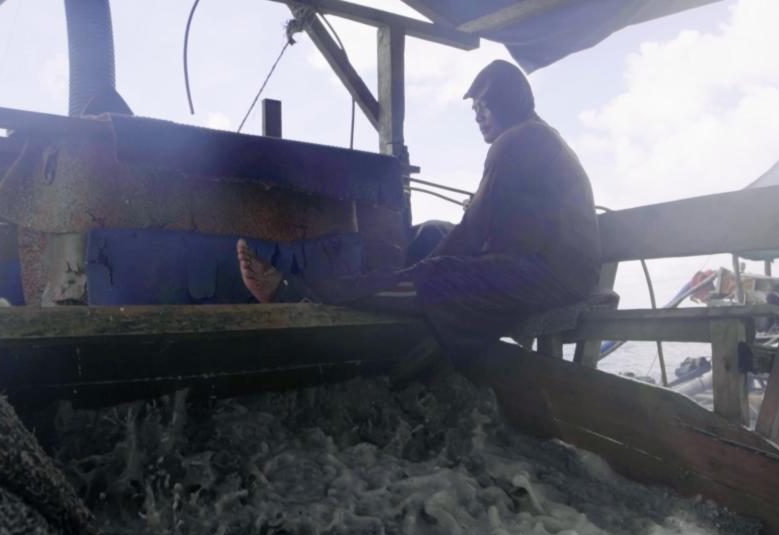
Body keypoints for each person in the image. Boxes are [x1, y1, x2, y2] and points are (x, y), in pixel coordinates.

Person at [237, 59, 601, 362]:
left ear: (513, 101)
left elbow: (475, 231)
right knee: (432, 234)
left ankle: (303, 295)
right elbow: (513, 221)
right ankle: (387, 297)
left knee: (434, 276)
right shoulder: (539, 137)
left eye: (486, 105)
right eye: (475, 108)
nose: (478, 116)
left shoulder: (517, 141)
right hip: (554, 268)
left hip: (551, 280)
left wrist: (421, 272)